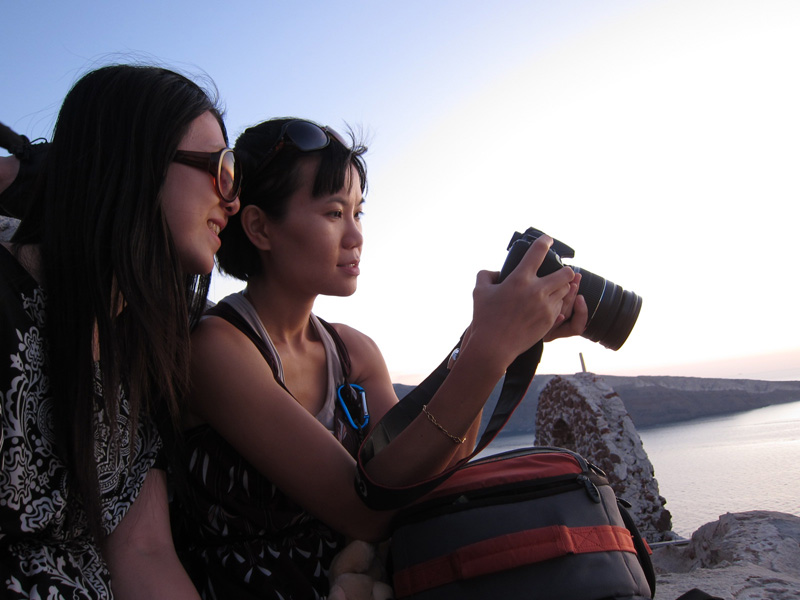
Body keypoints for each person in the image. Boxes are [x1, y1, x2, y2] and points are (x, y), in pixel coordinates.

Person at [174, 117, 588, 599]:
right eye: (334, 213)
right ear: (260, 227)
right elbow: (366, 512)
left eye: (358, 212)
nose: (356, 235)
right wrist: (489, 348)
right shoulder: (215, 349)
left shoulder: (354, 352)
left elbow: (428, 479)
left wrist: (501, 335)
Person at [0, 64, 241, 599]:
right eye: (221, 168)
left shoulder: (141, 346)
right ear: (133, 160)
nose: (233, 200)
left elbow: (144, 550)